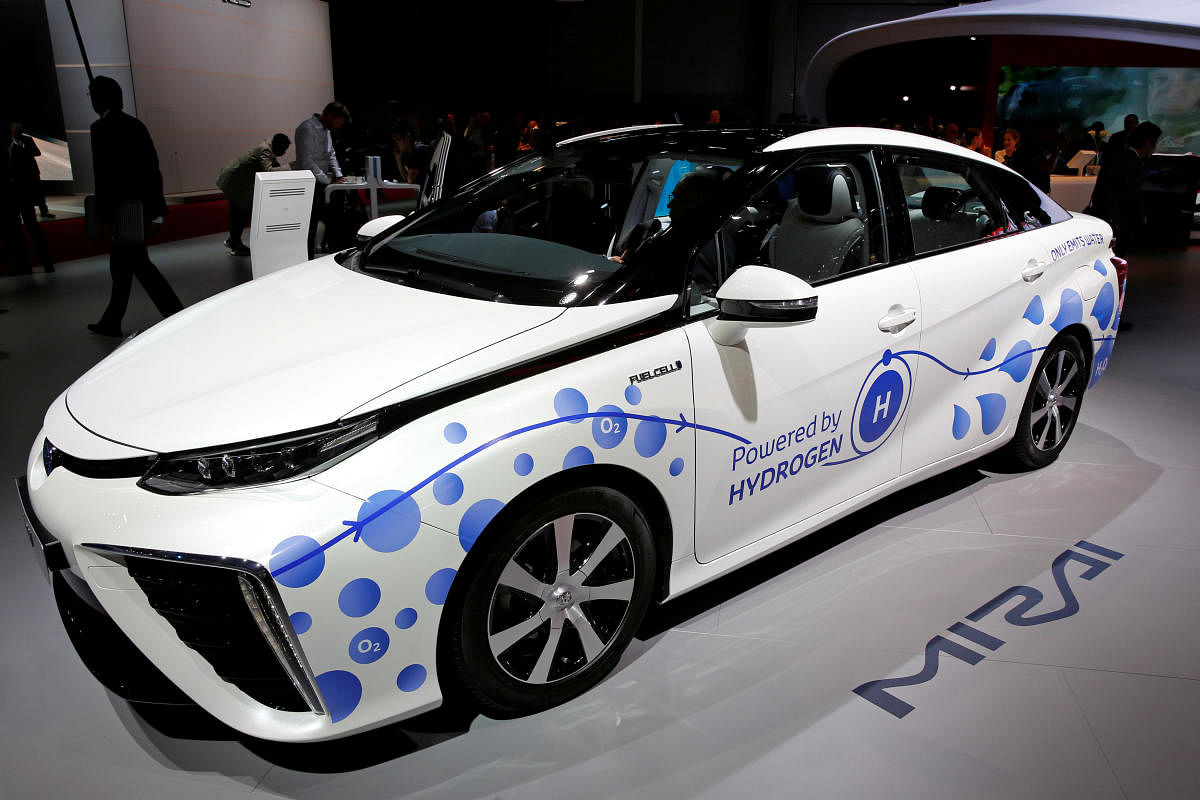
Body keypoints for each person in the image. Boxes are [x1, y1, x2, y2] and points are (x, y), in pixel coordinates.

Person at [85, 76, 183, 337]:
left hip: (120, 214)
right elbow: (152, 171)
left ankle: (177, 315)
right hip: (139, 210)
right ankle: (112, 320)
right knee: (124, 267)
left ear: (96, 100)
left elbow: (104, 178)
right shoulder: (136, 125)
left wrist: (104, 219)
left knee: (138, 266)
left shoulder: (100, 129)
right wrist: (158, 213)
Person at [1084, 121, 1162, 256]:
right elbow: (1131, 195)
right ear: (1149, 143)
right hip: (1118, 222)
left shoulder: (1117, 156)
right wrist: (1141, 218)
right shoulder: (1134, 162)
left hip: (1105, 217)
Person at [216, 133, 290, 256]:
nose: (284, 153)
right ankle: (234, 243)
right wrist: (290, 166)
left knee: (242, 211)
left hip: (239, 182)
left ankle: (233, 240)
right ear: (278, 145)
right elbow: (269, 171)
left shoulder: (268, 148)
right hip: (233, 182)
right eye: (284, 149)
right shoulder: (265, 150)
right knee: (238, 212)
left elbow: (273, 166)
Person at [295, 101, 350, 258]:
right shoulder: (306, 128)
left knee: (332, 221)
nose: (339, 127)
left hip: (323, 183)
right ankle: (307, 258)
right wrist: (328, 181)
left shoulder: (326, 129)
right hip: (308, 183)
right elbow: (307, 161)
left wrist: (339, 176)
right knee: (310, 225)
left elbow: (330, 153)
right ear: (331, 116)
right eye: (338, 123)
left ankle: (332, 255)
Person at [5, 122, 53, 272]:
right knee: (22, 229)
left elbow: (33, 157)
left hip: (20, 193)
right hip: (16, 194)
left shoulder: (23, 146)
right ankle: (30, 264)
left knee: (27, 228)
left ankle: (40, 263)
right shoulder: (15, 148)